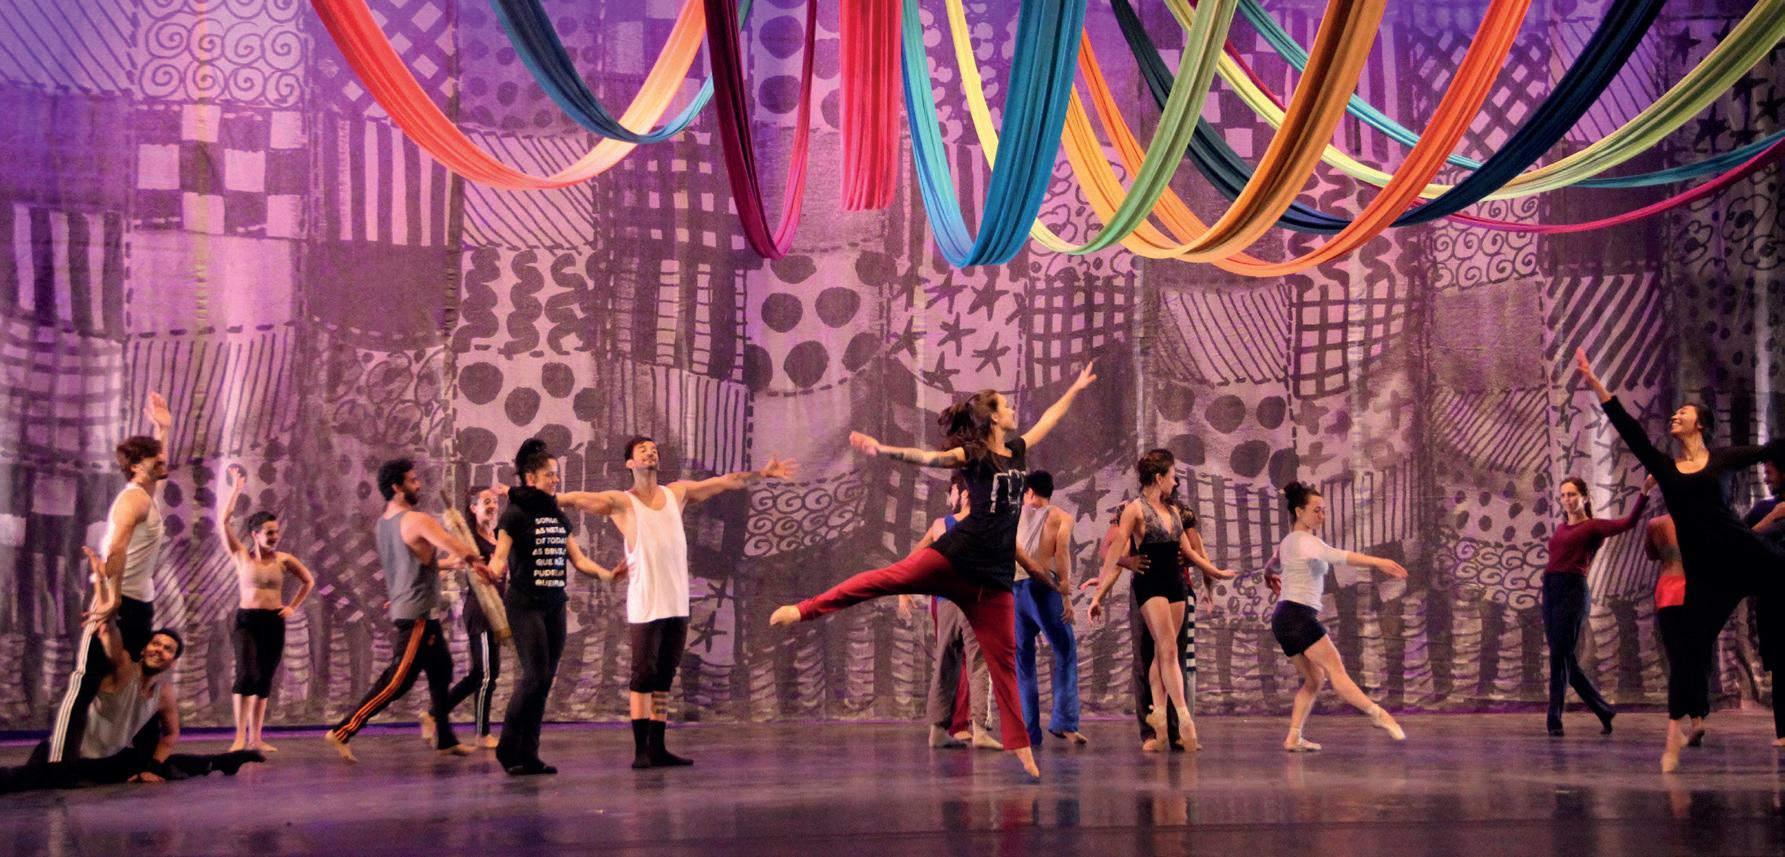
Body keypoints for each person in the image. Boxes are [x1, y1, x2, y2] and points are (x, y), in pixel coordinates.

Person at [768, 363, 1100, 779]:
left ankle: (1021, 747)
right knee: (884, 580)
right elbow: (929, 457)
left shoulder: (1016, 451)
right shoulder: (974, 456)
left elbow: (1049, 418)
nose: (1013, 409)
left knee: (1004, 664)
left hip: (994, 579)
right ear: (992, 417)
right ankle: (803, 610)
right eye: (1005, 405)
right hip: (955, 558)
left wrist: (1075, 387)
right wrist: (882, 449)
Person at [1575, 348, 1785, 770]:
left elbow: (1774, 447)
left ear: (1701, 424)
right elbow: (1629, 430)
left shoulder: (1723, 459)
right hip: (1707, 574)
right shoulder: (1666, 468)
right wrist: (1595, 383)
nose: (1675, 415)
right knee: (1689, 649)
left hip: (1743, 552)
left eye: (1683, 412)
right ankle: (1674, 735)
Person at [561, 438, 795, 769]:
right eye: (642, 450)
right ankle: (641, 751)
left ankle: (657, 747)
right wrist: (538, 497)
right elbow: (578, 499)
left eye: (653, 449)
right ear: (630, 463)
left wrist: (762, 474)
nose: (650, 452)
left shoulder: (677, 493)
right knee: (643, 677)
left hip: (676, 605)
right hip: (646, 605)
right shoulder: (622, 502)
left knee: (663, 678)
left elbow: (724, 483)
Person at [1, 549, 263, 792]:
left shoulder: (163, 693)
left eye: (167, 649)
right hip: (65, 755)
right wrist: (102, 585)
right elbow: (108, 629)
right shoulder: (124, 668)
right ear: (144, 649)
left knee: (158, 763)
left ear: (173, 662)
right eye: (156, 644)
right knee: (29, 779)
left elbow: (171, 734)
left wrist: (152, 768)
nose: (159, 650)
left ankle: (224, 761)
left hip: (105, 760)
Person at [324, 459, 491, 763]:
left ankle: (445, 738)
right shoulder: (417, 520)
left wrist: (446, 564)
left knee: (442, 672)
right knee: (396, 682)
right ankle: (343, 730)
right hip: (416, 616)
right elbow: (455, 545)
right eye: (413, 480)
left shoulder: (384, 522)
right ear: (396, 487)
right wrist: (477, 560)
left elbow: (412, 562)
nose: (419, 484)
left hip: (416, 609)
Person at [45, 393, 173, 764]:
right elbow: (115, 548)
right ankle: (59, 763)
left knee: (137, 680)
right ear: (134, 467)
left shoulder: (147, 493)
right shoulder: (133, 500)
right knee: (87, 681)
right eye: (153, 457)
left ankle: (140, 760)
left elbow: (158, 467)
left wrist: (162, 430)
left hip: (140, 604)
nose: (162, 459)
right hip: (118, 600)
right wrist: (112, 598)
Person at [486, 440, 626, 776]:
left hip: (554, 605)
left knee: (544, 681)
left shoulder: (557, 515)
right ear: (531, 478)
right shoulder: (515, 514)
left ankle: (530, 755)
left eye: (556, 474)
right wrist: (490, 572)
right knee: (534, 677)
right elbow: (500, 558)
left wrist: (609, 575)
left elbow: (578, 560)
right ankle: (508, 748)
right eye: (550, 475)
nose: (556, 480)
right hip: (525, 606)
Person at [1087, 450, 1234, 752]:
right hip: (1150, 583)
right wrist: (1100, 590)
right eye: (1172, 476)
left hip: (1175, 584)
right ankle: (1183, 716)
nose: (1176, 481)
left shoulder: (1174, 511)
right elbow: (1115, 550)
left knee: (1163, 654)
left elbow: (1190, 552)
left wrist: (1215, 573)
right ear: (1158, 477)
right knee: (1166, 648)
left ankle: (1161, 724)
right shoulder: (1134, 509)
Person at [1266, 481, 1408, 752]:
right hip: (1296, 615)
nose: (1322, 516)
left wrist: (1268, 575)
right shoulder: (1305, 541)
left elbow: (1272, 563)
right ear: (1299, 512)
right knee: (1335, 669)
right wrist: (1379, 561)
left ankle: (1294, 736)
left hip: (1285, 617)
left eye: (1324, 510)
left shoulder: (1289, 542)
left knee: (1315, 679)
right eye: (1316, 510)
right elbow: (1338, 556)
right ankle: (1378, 714)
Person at [1539, 474, 1651, 737]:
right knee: (1564, 657)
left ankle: (1554, 719)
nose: (1567, 499)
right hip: (1551, 590)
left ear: (1584, 498)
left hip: (1572, 591)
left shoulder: (1593, 526)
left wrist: (1644, 492)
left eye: (1572, 495)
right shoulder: (1561, 528)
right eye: (1563, 495)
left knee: (1559, 658)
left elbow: (1629, 522)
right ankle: (1603, 710)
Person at [218, 464, 315, 753]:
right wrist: (236, 490)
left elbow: (308, 581)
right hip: (247, 621)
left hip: (273, 621)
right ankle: (239, 736)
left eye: (276, 532)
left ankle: (256, 738)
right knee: (246, 675)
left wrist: (292, 607)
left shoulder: (284, 560)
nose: (275, 537)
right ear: (255, 534)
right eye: (269, 533)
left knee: (263, 679)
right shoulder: (241, 557)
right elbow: (223, 523)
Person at [896, 474, 998, 749]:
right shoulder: (987, 523)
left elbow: (914, 559)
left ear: (964, 494)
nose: (950, 496)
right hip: (973, 600)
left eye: (952, 490)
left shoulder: (940, 525)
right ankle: (980, 730)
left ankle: (938, 730)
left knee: (946, 662)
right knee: (978, 663)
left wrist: (904, 589)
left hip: (947, 600)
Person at [1012, 471, 1086, 747]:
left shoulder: (1014, 515)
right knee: (1065, 651)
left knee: (1024, 661)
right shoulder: (1061, 517)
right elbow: (1062, 551)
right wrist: (1065, 596)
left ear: (1030, 492)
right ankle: (1064, 722)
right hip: (1043, 589)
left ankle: (1029, 731)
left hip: (1016, 590)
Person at [443, 484, 505, 749]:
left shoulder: (500, 537)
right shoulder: (469, 542)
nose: (492, 506)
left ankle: (435, 712)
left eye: (494, 501)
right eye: (486, 502)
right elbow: (446, 565)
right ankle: (482, 734)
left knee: (483, 673)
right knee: (486, 676)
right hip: (479, 611)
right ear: (473, 508)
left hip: (497, 612)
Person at [1645, 514, 1709, 747]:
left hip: (1669, 595)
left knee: (1678, 661)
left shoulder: (1656, 524)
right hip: (1695, 594)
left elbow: (1652, 554)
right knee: (1694, 660)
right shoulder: (1702, 520)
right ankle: (1696, 719)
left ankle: (1676, 725)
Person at [1741, 447, 1785, 747]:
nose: (1766, 479)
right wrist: (1773, 517)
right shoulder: (1764, 510)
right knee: (1780, 664)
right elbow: (1740, 541)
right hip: (1773, 600)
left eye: (1770, 472)